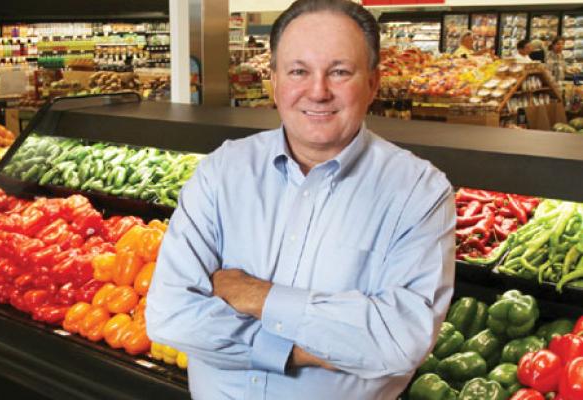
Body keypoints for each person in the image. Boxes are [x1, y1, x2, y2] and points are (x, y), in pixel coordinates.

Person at [145, 0, 456, 399]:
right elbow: (170, 316)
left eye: (340, 72)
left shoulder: (419, 191)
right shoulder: (222, 172)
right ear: (273, 80)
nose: (318, 91)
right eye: (298, 71)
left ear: (374, 84)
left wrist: (257, 295)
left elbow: (400, 341)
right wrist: (303, 351)